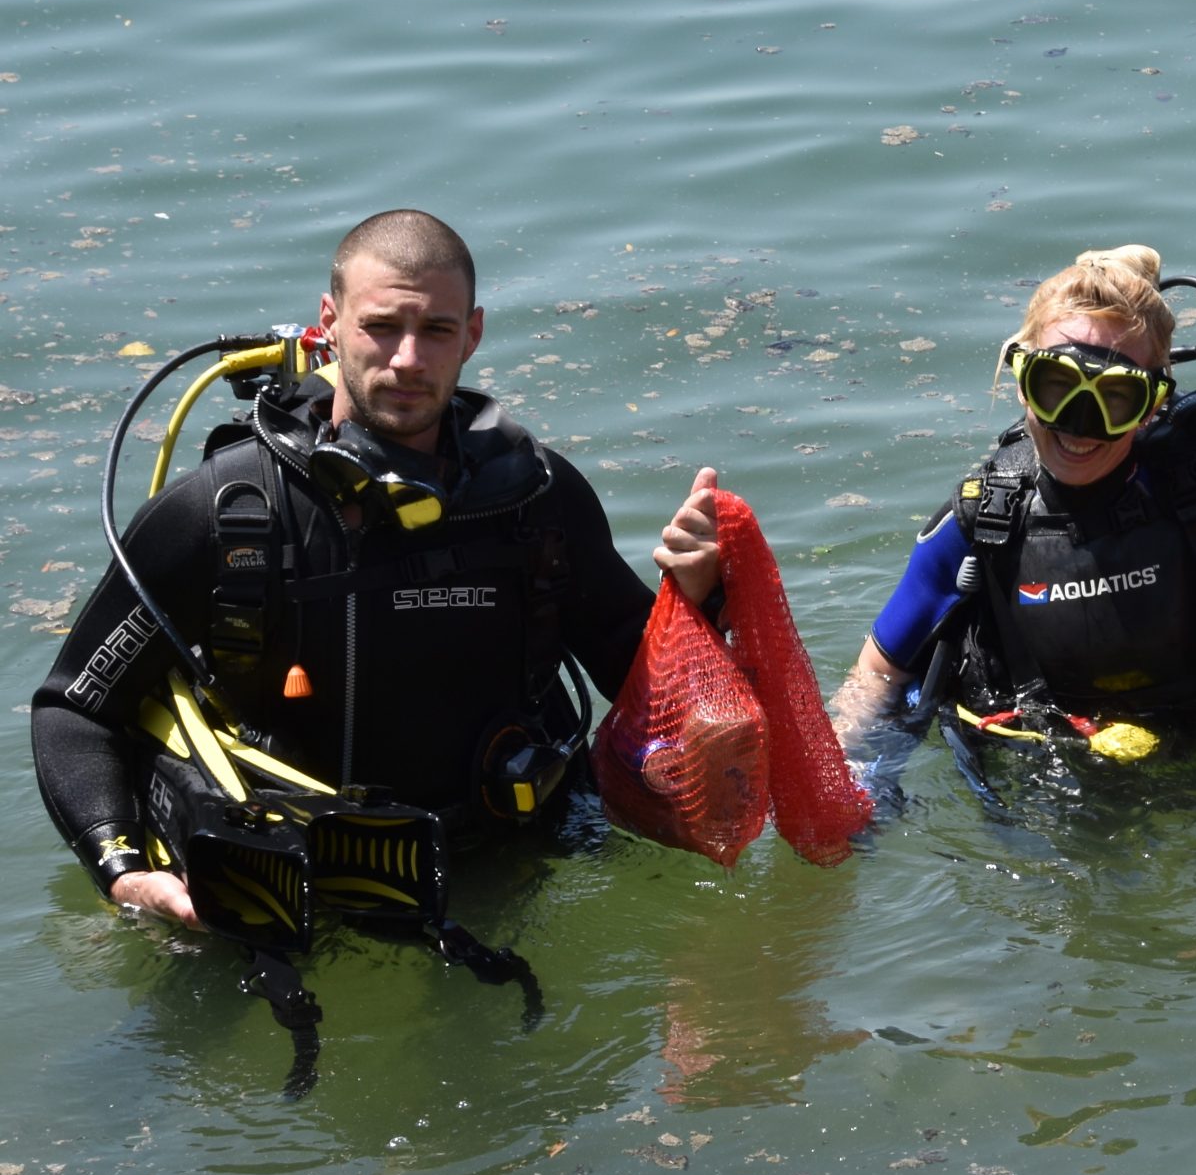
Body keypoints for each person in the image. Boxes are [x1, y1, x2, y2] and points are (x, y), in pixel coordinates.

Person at [32, 210, 725, 930]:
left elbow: (652, 693)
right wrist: (122, 871)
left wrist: (697, 597)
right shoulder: (226, 512)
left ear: (474, 334)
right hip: (295, 886)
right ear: (329, 322)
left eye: (436, 331)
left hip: (516, 858)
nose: (407, 359)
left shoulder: (534, 499)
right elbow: (75, 708)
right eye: (381, 326)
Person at [828, 245, 1196, 758]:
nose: (1079, 424)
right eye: (1056, 386)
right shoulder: (984, 519)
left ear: (1154, 405)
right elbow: (880, 673)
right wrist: (856, 777)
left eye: (1114, 396)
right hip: (1043, 769)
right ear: (1022, 382)